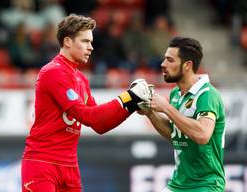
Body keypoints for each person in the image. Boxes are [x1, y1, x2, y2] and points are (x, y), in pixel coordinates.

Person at [21, 14, 152, 192]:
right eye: (85, 41)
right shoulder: (53, 72)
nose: (91, 47)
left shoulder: (81, 78)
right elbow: (87, 116)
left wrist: (131, 105)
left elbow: (100, 124)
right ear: (67, 42)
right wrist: (129, 97)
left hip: (70, 166)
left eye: (91, 42)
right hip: (43, 164)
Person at [140, 36, 226, 191]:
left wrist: (167, 108)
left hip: (205, 185)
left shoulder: (207, 95)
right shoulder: (176, 94)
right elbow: (176, 136)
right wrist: (149, 112)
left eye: (170, 60)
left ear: (187, 65)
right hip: (178, 184)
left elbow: (202, 135)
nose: (163, 64)